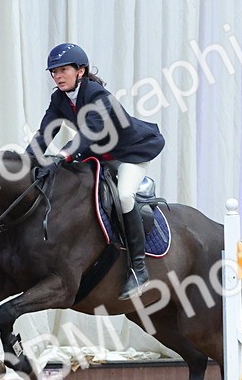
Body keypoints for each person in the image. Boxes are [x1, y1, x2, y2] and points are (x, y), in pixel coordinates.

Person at [26, 43, 165, 299]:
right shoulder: (59, 99)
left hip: (129, 153)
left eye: (63, 70)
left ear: (80, 71)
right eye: (54, 72)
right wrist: (27, 161)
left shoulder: (98, 96)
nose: (57, 76)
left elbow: (89, 133)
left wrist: (63, 155)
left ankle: (138, 269)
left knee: (124, 196)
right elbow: (46, 132)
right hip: (99, 156)